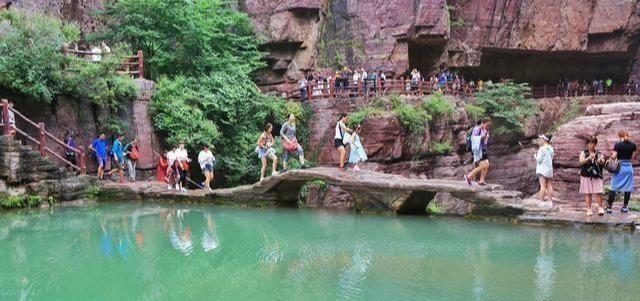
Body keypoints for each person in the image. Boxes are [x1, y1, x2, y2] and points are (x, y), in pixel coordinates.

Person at [606, 130, 636, 214]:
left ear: (620, 136)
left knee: (613, 187)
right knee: (628, 188)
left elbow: (614, 156)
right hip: (629, 168)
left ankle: (609, 208)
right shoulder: (633, 145)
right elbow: (632, 158)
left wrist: (611, 157)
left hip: (620, 168)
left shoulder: (618, 145)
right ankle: (625, 207)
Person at [579, 136, 606, 216]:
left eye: (594, 143)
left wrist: (600, 161)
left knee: (598, 192)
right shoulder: (584, 153)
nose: (592, 145)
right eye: (590, 143)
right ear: (587, 144)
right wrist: (588, 158)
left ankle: (600, 208)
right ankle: (589, 209)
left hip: (596, 175)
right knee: (588, 193)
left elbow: (602, 161)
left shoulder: (599, 153)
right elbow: (581, 161)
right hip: (586, 175)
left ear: (596, 144)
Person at [464, 118, 491, 186]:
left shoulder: (484, 130)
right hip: (478, 149)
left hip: (483, 149)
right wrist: (482, 137)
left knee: (487, 164)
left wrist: (486, 137)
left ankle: (481, 180)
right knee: (482, 165)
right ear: (482, 123)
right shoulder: (477, 129)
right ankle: (469, 176)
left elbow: (485, 141)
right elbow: (474, 138)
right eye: (486, 124)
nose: (487, 126)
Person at [534, 134, 555, 207]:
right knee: (549, 185)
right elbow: (551, 158)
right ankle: (550, 202)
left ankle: (542, 202)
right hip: (549, 169)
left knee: (542, 185)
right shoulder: (551, 149)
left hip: (542, 170)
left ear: (544, 140)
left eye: (541, 139)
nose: (540, 141)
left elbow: (539, 160)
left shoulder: (542, 148)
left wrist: (535, 156)